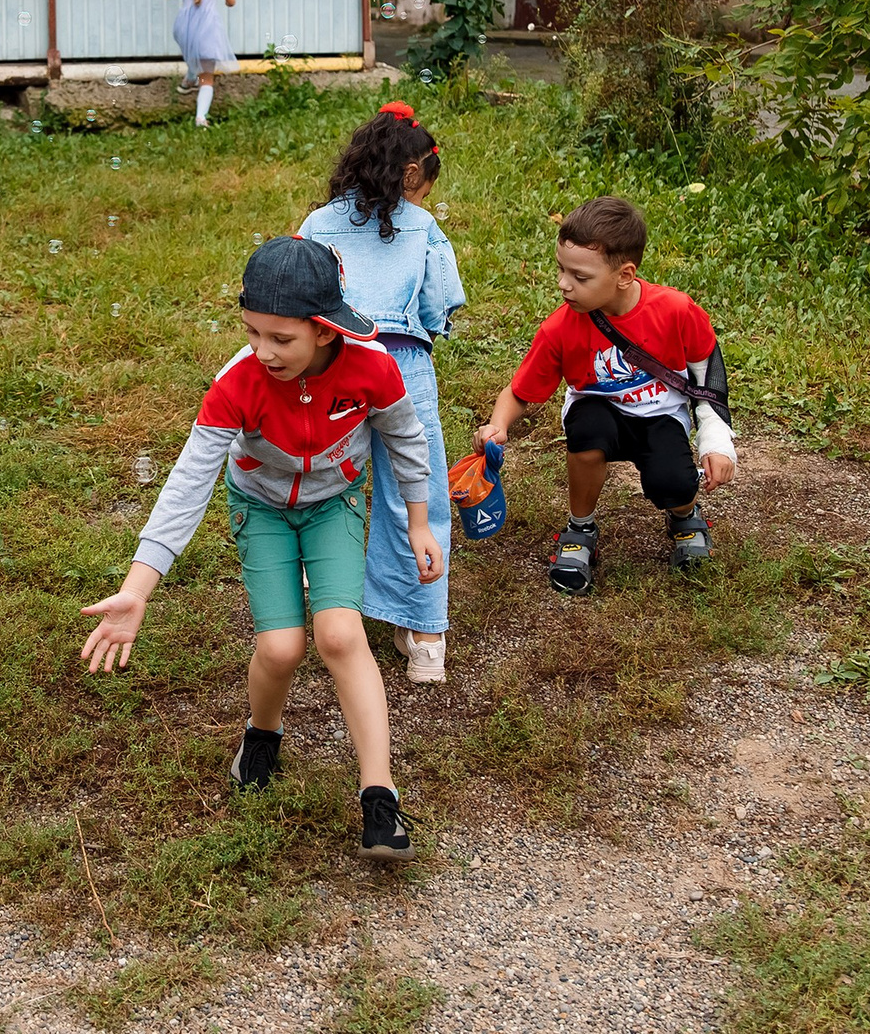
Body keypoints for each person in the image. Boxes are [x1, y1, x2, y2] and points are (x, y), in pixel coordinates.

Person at [78, 236, 439, 861]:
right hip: (263, 508)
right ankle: (263, 733)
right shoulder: (236, 384)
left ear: (326, 331)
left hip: (336, 504)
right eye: (252, 332)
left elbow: (406, 440)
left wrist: (418, 520)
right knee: (281, 646)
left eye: (281, 339)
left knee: (340, 635)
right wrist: (137, 591)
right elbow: (188, 486)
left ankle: (380, 796)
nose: (262, 351)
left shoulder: (372, 366)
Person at [474, 196, 737, 595]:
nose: (564, 284)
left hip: (661, 417)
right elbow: (520, 391)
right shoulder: (559, 328)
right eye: (561, 269)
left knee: (672, 482)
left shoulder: (677, 311)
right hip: (599, 412)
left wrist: (716, 443)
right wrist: (498, 425)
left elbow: (709, 379)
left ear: (625, 275)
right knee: (587, 429)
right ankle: (580, 528)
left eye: (579, 277)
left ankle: (685, 515)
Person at [299, 103, 465, 683]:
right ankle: (424, 636)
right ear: (414, 174)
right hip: (404, 369)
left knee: (323, 478)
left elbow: (299, 289)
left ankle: (317, 593)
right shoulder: (423, 227)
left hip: (333, 362)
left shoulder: (320, 222)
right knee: (415, 491)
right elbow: (438, 306)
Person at [163, 0, 236, 126]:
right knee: (207, 76)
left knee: (194, 54)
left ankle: (187, 81)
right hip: (207, 28)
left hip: (183, 27)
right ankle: (200, 117)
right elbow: (231, 1)